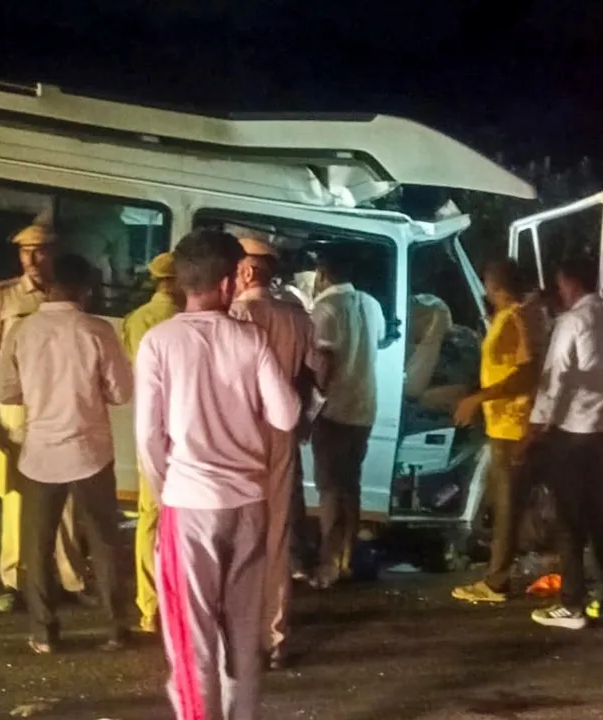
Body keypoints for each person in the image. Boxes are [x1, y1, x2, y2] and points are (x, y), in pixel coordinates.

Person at [135, 229, 300, 720]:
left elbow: (148, 437)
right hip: (249, 504)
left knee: (192, 642)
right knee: (242, 637)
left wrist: (167, 490)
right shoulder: (250, 339)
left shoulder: (158, 342)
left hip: (189, 504)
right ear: (229, 282)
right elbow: (287, 415)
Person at [0, 252, 132, 653]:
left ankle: (44, 632)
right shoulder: (98, 330)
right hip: (91, 452)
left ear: (48, 285)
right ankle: (115, 628)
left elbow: (6, 391)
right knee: (104, 540)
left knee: (37, 543)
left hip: (39, 453)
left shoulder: (22, 331)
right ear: (85, 289)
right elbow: (121, 393)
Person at [0, 224, 90, 613]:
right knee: (17, 495)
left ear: (54, 253)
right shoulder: (3, 295)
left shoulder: (66, 294)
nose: (34, 260)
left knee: (68, 493)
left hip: (57, 402)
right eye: (26, 253)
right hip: (16, 406)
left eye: (41, 252)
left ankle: (71, 579)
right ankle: (14, 581)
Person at [228, 237, 322, 670]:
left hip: (238, 436)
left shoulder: (235, 316)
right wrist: (302, 421)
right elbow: (318, 379)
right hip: (282, 437)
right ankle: (275, 636)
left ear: (245, 272)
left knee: (237, 536)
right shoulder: (298, 317)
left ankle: (238, 635)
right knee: (278, 535)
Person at [528, 256, 603, 628]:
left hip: (572, 434)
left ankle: (572, 604)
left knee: (569, 521)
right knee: (602, 518)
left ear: (568, 282)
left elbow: (555, 378)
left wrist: (536, 425)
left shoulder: (572, 321)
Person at [451, 258, 540, 604]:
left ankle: (497, 581)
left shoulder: (517, 318)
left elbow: (527, 373)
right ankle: (496, 572)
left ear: (495, 285)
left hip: (512, 424)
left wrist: (479, 398)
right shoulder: (508, 317)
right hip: (502, 422)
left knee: (507, 505)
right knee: (504, 502)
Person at [308, 250, 385, 589]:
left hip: (334, 411)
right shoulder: (371, 305)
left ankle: (328, 567)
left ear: (323, 274)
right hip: (364, 410)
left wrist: (311, 407)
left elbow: (323, 366)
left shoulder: (325, 309)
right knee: (350, 488)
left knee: (329, 490)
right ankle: (348, 558)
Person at [121, 251, 182, 634]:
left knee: (149, 519)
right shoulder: (184, 323)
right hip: (185, 432)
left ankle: (149, 606)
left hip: (149, 428)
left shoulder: (134, 321)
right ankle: (179, 602)